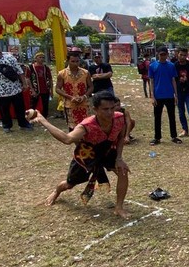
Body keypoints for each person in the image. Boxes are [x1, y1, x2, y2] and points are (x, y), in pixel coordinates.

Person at [33, 91, 131, 219]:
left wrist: (119, 158)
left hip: (106, 150)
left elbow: (120, 137)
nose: (110, 112)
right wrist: (42, 120)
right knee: (69, 184)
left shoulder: (119, 118)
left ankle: (119, 208)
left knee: (123, 171)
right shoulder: (86, 125)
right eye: (105, 109)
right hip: (87, 154)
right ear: (95, 109)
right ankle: (56, 191)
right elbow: (67, 139)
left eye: (112, 108)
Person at [0, 42, 33, 133]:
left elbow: (19, 70)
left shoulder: (9, 57)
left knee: (20, 108)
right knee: (4, 110)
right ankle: (7, 126)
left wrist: (24, 83)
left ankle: (23, 124)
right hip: (1, 91)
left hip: (16, 87)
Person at [148, 46, 181, 145]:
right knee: (157, 117)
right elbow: (152, 81)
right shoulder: (153, 66)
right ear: (158, 54)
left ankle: (174, 136)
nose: (163, 56)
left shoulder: (171, 66)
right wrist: (152, 96)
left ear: (167, 55)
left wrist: (176, 95)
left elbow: (173, 80)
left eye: (164, 54)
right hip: (158, 96)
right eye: (161, 54)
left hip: (169, 95)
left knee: (172, 116)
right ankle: (157, 137)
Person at [56, 53, 93, 131]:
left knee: (86, 126)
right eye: (73, 61)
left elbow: (91, 87)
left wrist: (84, 96)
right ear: (68, 61)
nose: (75, 63)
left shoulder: (85, 73)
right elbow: (57, 89)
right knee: (72, 128)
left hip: (84, 104)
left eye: (77, 61)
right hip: (70, 104)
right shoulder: (62, 74)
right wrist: (69, 97)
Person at [27, 52, 53, 119]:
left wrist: (51, 90)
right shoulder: (31, 67)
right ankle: (31, 117)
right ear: (35, 58)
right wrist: (32, 90)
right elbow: (28, 79)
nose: (41, 59)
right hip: (35, 89)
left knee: (45, 104)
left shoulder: (46, 68)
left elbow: (50, 79)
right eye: (40, 57)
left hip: (45, 89)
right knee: (33, 104)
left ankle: (44, 118)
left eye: (43, 57)